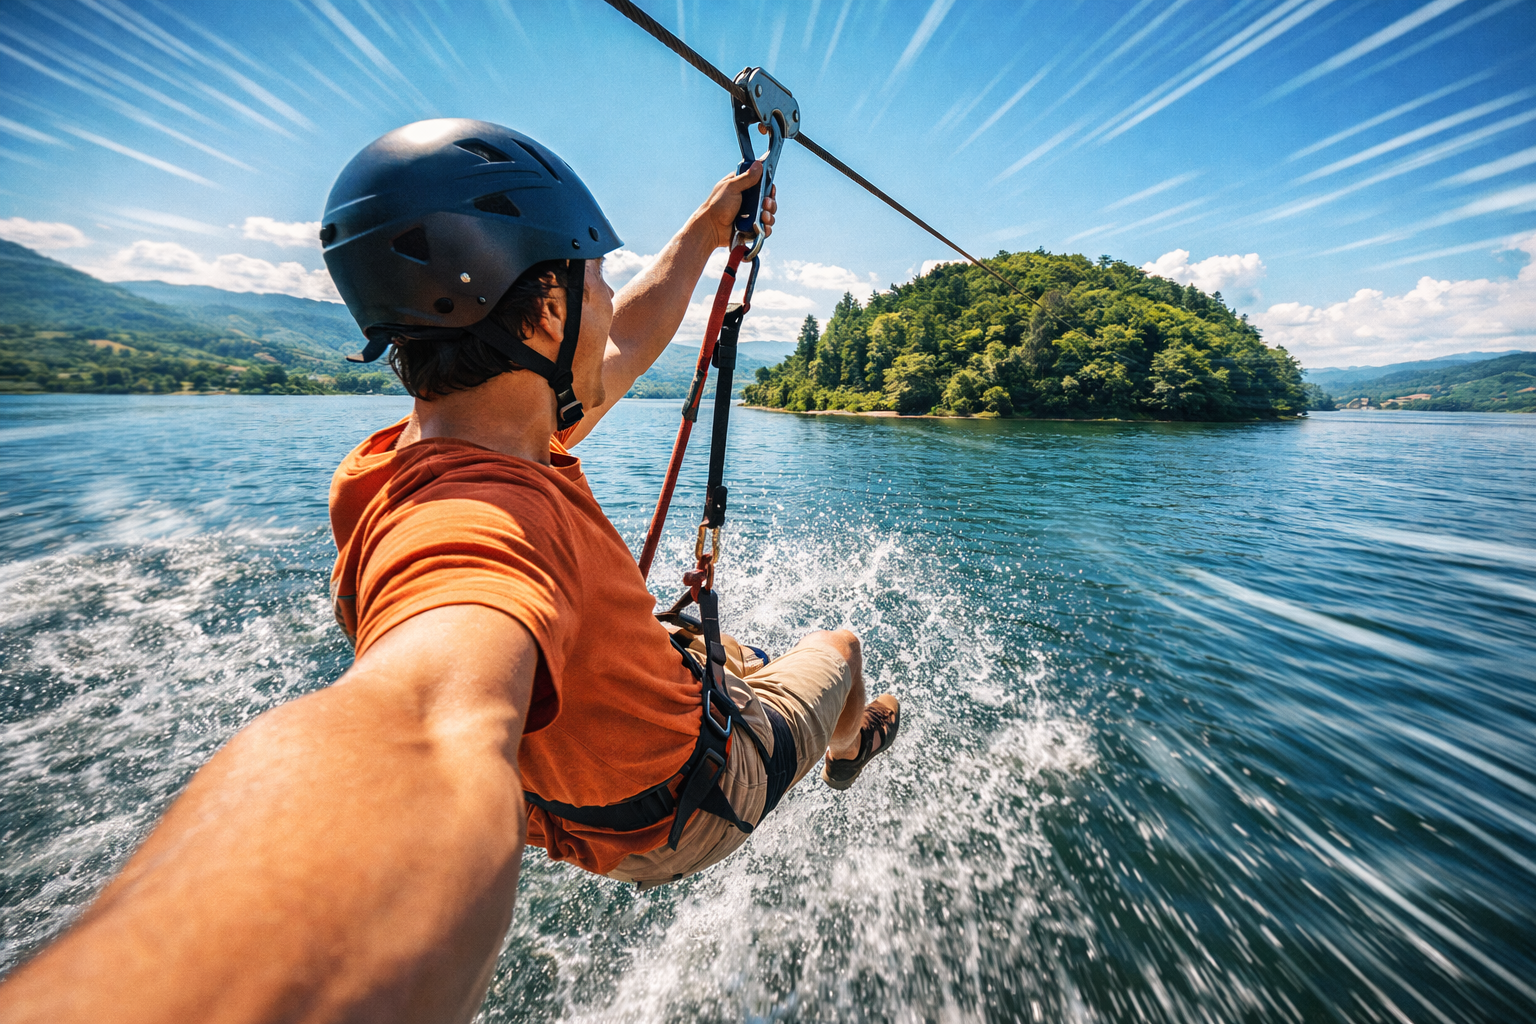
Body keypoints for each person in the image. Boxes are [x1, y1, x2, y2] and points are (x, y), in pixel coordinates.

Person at [0, 118, 899, 1023]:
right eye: (596, 276)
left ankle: (735, 685)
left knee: (725, 651)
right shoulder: (484, 525)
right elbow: (427, 728)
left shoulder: (417, 457)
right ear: (547, 314)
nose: (609, 295)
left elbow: (619, 347)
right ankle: (848, 745)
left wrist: (709, 230)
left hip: (578, 794)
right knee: (842, 649)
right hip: (686, 805)